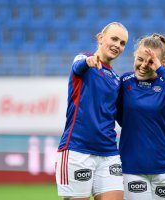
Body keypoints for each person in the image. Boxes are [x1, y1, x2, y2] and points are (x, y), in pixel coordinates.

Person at [117, 33, 165, 200]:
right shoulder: (125, 81)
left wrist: (161, 71)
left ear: (161, 63)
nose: (143, 65)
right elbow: (118, 116)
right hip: (132, 167)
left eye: (150, 61)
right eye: (139, 59)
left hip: (164, 167)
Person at [55, 22, 128, 200]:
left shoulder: (116, 80)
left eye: (123, 43)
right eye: (114, 39)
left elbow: (121, 118)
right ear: (101, 38)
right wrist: (88, 62)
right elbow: (78, 66)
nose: (118, 45)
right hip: (78, 149)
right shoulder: (83, 60)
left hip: (108, 151)